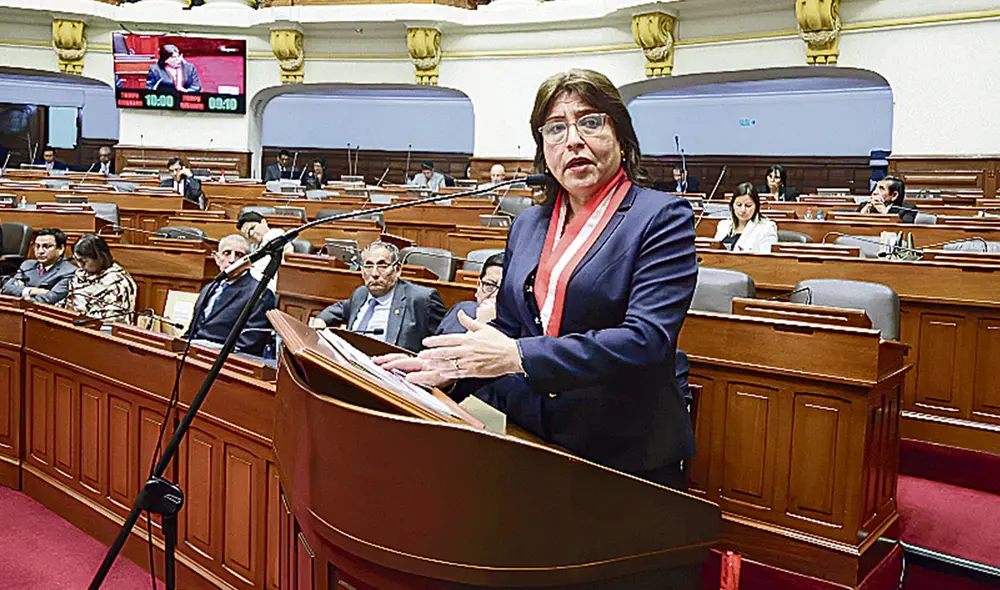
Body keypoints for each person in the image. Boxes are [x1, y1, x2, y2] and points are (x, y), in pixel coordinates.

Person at [377, 69, 698, 490]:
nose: (573, 141)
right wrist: (453, 367)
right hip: (530, 434)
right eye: (555, 129)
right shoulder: (529, 224)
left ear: (622, 137)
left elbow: (647, 340)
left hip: (621, 451)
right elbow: (511, 327)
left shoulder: (659, 217)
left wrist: (520, 358)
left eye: (590, 121)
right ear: (543, 150)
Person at [308, 241, 446, 352]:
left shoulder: (421, 299)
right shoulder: (360, 293)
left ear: (397, 270)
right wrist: (321, 320)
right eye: (368, 266)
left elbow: (442, 343)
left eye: (382, 265)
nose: (374, 273)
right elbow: (341, 307)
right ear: (362, 271)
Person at [185, 235, 277, 356]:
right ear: (217, 258)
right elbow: (192, 332)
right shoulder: (209, 288)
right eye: (227, 253)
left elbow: (248, 345)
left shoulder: (260, 293)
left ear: (249, 262)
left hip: (223, 361)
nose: (232, 260)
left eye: (239, 255)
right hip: (193, 353)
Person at [60, 234, 137, 320]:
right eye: (77, 260)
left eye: (84, 261)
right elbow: (69, 301)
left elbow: (112, 318)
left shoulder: (117, 281)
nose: (80, 265)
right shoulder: (81, 274)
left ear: (100, 258)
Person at [1, 228, 75, 304]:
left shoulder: (69, 271)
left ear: (60, 249)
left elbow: (50, 299)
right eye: (37, 246)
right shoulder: (27, 265)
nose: (40, 251)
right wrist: (32, 291)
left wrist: (20, 290)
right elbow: (6, 288)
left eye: (46, 246)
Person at [436, 253, 503, 335]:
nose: (495, 296)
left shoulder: (522, 334)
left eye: (506, 290)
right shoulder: (462, 310)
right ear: (478, 285)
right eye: (489, 285)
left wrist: (483, 324)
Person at [713, 182, 778, 253]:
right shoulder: (723, 225)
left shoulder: (767, 228)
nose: (743, 210)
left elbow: (766, 260)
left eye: (748, 205)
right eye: (739, 205)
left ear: (756, 207)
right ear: (732, 206)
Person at [236, 210, 292, 291]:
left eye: (252, 228)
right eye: (247, 234)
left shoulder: (276, 235)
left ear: (263, 222)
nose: (251, 234)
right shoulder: (253, 247)